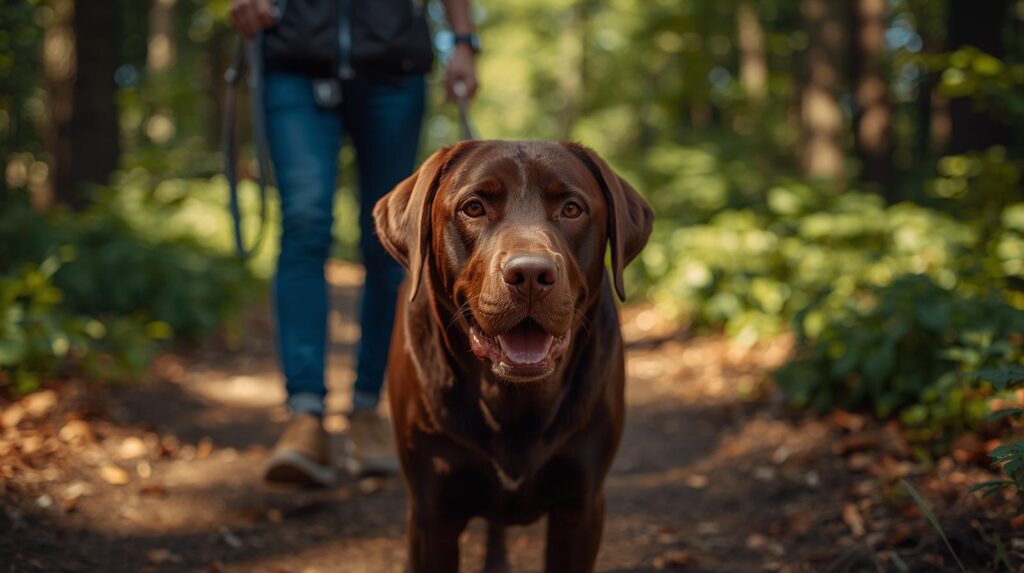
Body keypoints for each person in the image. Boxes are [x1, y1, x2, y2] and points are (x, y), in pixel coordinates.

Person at [229, 0, 478, 485]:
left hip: (392, 66)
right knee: (303, 223)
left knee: (390, 240)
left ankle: (369, 408)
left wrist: (464, 42)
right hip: (293, 59)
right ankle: (305, 416)